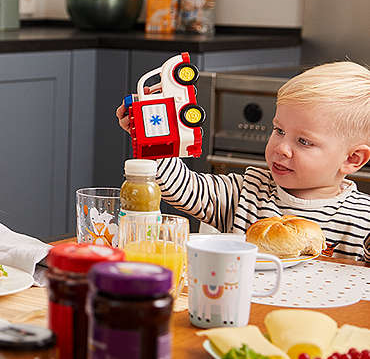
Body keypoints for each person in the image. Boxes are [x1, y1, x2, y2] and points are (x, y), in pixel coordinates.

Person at [117, 61, 370, 262]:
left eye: (304, 142)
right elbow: (181, 187)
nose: (281, 148)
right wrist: (153, 135)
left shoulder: (363, 219)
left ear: (352, 159)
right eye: (279, 130)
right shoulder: (246, 192)